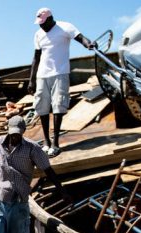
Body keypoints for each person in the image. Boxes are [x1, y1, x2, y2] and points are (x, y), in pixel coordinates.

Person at [28, 7, 96, 157]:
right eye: (39, 23)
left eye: (43, 23)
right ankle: (46, 141)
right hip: (42, 75)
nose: (41, 26)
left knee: (59, 105)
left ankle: (56, 143)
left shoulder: (65, 27)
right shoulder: (38, 34)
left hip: (60, 73)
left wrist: (88, 44)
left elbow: (80, 38)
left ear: (51, 19)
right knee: (42, 107)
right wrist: (31, 79)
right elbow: (36, 57)